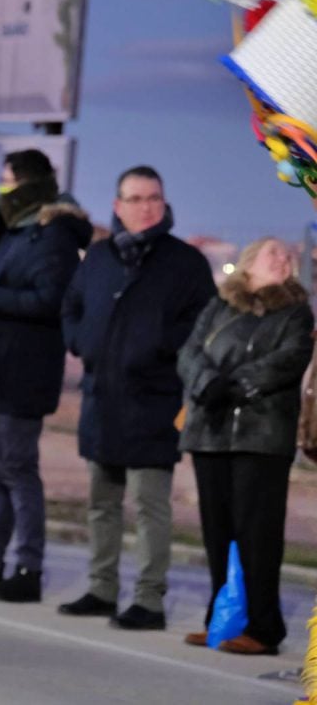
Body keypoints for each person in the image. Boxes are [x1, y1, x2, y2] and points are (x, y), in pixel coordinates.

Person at [58, 165, 215, 630]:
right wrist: (82, 342)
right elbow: (72, 306)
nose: (146, 206)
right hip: (101, 396)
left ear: (164, 204)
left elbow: (202, 324)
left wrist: (159, 345)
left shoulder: (184, 261)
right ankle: (102, 588)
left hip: (154, 398)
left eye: (154, 198)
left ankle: (149, 599)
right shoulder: (101, 256)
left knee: (150, 505)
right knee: (101, 502)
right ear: (117, 205)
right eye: (136, 198)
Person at [0, 150, 92, 602]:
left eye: (7, 181)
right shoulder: (18, 229)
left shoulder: (52, 237)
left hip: (21, 372)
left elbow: (50, 300)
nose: (0, 189)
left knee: (17, 470)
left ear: (27, 185)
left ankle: (28, 567)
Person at [177, 237, 313, 655]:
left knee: (258, 533)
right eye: (274, 251)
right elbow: (190, 352)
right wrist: (205, 383)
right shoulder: (220, 306)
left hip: (262, 437)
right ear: (249, 263)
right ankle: (222, 619)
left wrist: (232, 385)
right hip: (210, 432)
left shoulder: (295, 312)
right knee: (218, 531)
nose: (284, 257)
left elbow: (288, 360)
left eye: (287, 255)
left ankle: (263, 626)